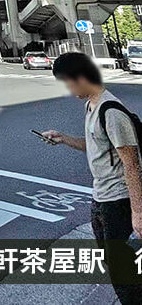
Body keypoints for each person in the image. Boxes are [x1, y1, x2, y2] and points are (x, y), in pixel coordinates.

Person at [42, 53, 142, 304]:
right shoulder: (91, 105)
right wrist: (63, 138)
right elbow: (96, 146)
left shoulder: (111, 112)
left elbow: (132, 165)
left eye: (68, 82)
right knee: (114, 262)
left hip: (119, 202)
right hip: (101, 199)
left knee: (123, 271)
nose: (67, 88)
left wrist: (138, 214)